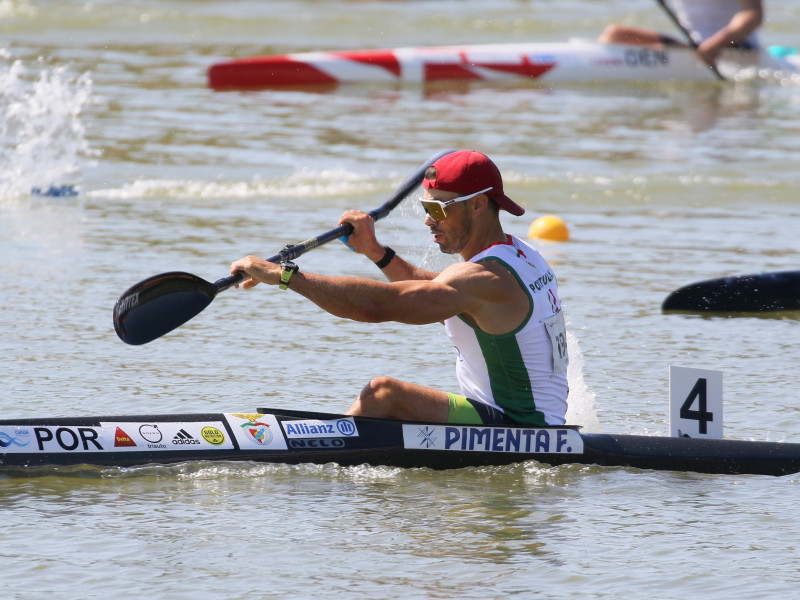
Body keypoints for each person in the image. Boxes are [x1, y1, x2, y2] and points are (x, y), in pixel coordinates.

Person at [230, 151, 569, 426]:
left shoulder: (485, 278)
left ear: (478, 205)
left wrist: (285, 275)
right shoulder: (522, 253)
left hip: (520, 427)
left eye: (437, 208)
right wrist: (376, 251)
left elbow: (378, 306)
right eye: (425, 207)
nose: (428, 220)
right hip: (531, 419)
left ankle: (321, 450)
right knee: (385, 396)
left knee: (384, 395)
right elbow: (435, 291)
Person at [598, 0, 763, 66]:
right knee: (614, 35)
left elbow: (753, 14)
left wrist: (717, 42)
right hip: (690, 46)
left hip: (733, 46)